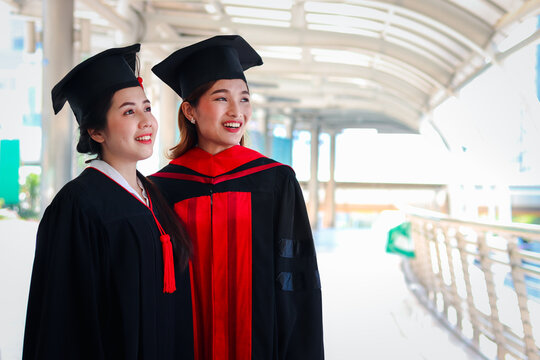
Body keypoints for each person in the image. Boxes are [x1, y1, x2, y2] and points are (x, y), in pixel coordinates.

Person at [150, 35, 324, 360]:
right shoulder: (160, 189)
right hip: (181, 345)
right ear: (189, 110)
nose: (236, 111)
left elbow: (298, 288)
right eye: (221, 99)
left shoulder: (275, 182)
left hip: (260, 346)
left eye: (244, 99)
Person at [23, 44, 193, 359]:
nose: (146, 121)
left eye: (147, 108)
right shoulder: (78, 206)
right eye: (129, 111)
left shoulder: (152, 197)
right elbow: (65, 323)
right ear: (96, 131)